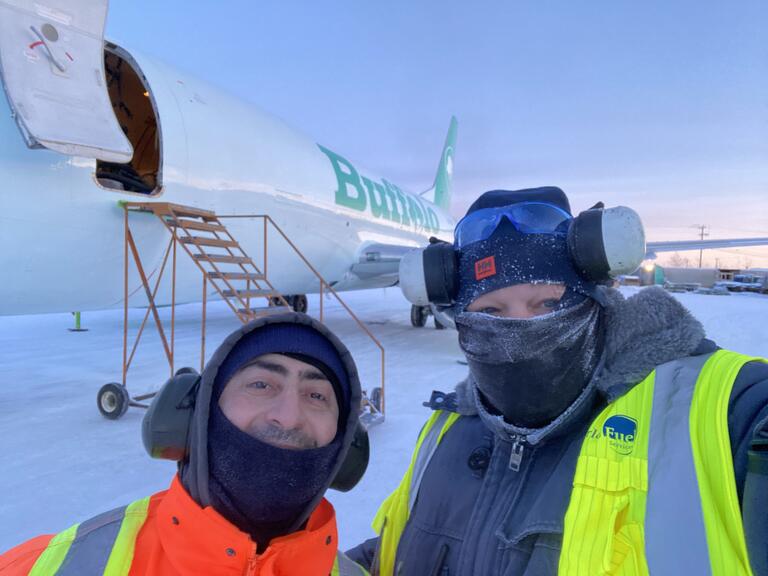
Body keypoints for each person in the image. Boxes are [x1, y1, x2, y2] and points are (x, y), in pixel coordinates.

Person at [348, 187, 768, 575]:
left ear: (594, 301)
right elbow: (394, 553)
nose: (520, 330)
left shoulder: (717, 413)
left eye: (547, 303)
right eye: (491, 313)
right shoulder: (448, 431)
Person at [1, 313, 369, 575]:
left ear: (345, 445)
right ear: (198, 416)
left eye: (317, 395)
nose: (288, 416)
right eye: (261, 385)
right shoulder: (47, 567)